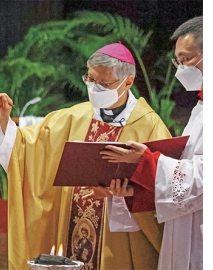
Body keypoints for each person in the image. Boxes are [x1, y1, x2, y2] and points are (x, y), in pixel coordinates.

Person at [0, 43, 172, 269]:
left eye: (104, 84)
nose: (95, 88)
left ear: (128, 82)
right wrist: (4, 121)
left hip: (120, 243)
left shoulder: (149, 125)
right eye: (90, 79)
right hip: (71, 235)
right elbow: (25, 149)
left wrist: (124, 197)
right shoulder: (73, 117)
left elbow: (167, 188)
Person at [100, 16, 203, 270]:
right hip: (187, 226)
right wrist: (134, 190)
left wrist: (147, 162)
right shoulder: (201, 107)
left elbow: (203, 177)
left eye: (186, 59)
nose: (181, 68)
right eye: (177, 61)